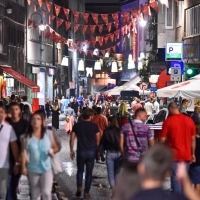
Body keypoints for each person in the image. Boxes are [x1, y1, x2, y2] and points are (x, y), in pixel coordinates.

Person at [21, 110, 59, 200]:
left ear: (42, 121)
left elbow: (55, 147)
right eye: (33, 119)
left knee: (46, 193)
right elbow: (23, 152)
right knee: (35, 194)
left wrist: (51, 151)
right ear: (30, 122)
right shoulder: (26, 137)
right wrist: (23, 167)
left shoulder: (48, 134)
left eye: (38, 119)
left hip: (47, 168)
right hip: (33, 169)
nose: (35, 121)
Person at [160, 101, 196, 193]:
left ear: (170, 109)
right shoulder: (189, 120)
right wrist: (193, 154)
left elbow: (162, 140)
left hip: (174, 156)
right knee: (184, 179)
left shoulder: (168, 121)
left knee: (176, 180)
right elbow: (193, 139)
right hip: (187, 155)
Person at [70, 108, 100, 199]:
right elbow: (98, 140)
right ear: (90, 116)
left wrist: (71, 150)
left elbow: (72, 138)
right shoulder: (95, 126)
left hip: (81, 151)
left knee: (80, 170)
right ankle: (86, 192)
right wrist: (98, 150)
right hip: (91, 151)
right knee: (89, 173)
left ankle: (79, 188)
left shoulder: (77, 125)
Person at [7, 102, 28, 200]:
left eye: (16, 109)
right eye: (12, 109)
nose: (14, 111)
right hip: (6, 156)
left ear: (20, 110)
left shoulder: (25, 124)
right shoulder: (6, 123)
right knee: (9, 184)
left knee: (14, 182)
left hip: (20, 156)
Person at [0, 105, 20, 200]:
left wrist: (17, 163)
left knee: (3, 192)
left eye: (1, 112)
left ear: (4, 114)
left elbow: (14, 146)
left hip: (4, 166)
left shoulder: (9, 129)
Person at [100, 115, 121, 198]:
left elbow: (102, 142)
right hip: (119, 153)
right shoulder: (120, 130)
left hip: (110, 153)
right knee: (117, 173)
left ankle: (114, 190)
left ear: (109, 122)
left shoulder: (107, 131)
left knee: (111, 174)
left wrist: (101, 152)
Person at [189, 122, 200, 195]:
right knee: (198, 184)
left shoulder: (192, 140)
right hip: (198, 165)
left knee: (190, 183)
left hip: (194, 164)